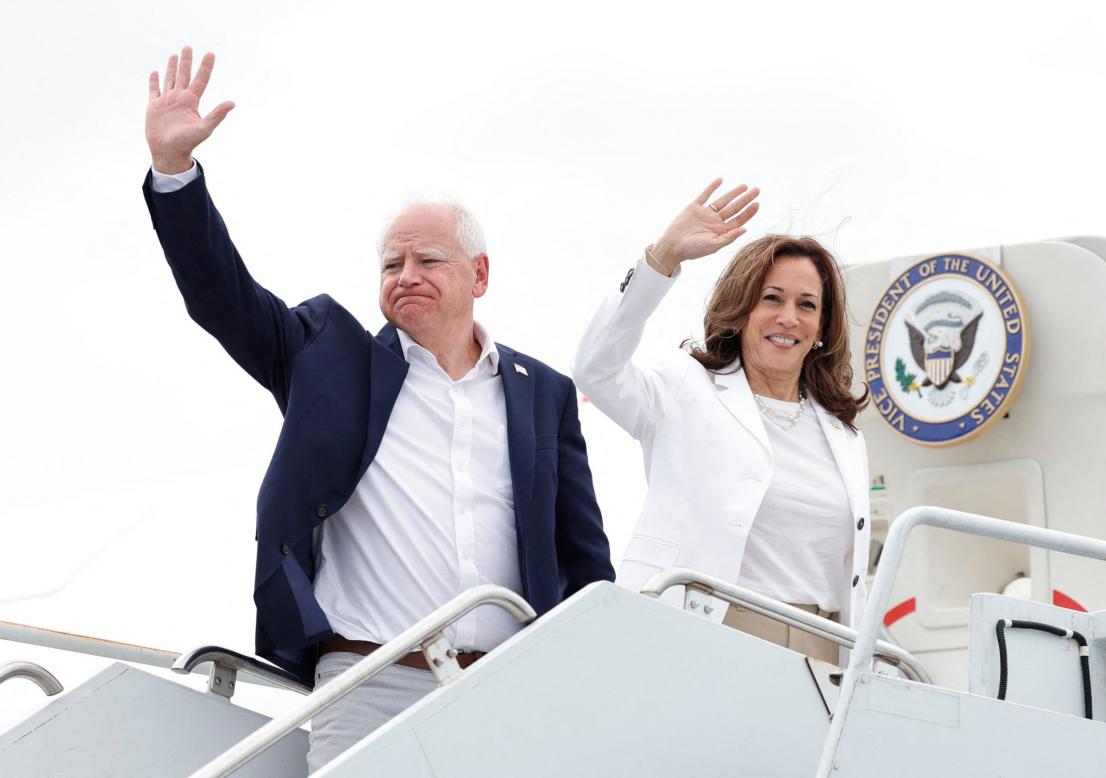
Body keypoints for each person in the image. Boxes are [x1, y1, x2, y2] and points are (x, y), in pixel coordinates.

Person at [142, 47, 613, 769]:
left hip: (510, 691)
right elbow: (221, 297)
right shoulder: (327, 354)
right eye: (392, 264)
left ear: (478, 274)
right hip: (366, 683)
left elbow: (583, 558)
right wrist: (175, 175)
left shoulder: (541, 392)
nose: (406, 276)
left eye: (428, 261)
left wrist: (597, 675)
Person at [573, 180, 870, 665]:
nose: (788, 318)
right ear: (741, 309)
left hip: (823, 648)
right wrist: (663, 257)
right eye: (771, 298)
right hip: (711, 634)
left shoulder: (845, 433)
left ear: (822, 327)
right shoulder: (684, 389)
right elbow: (595, 368)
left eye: (807, 304)